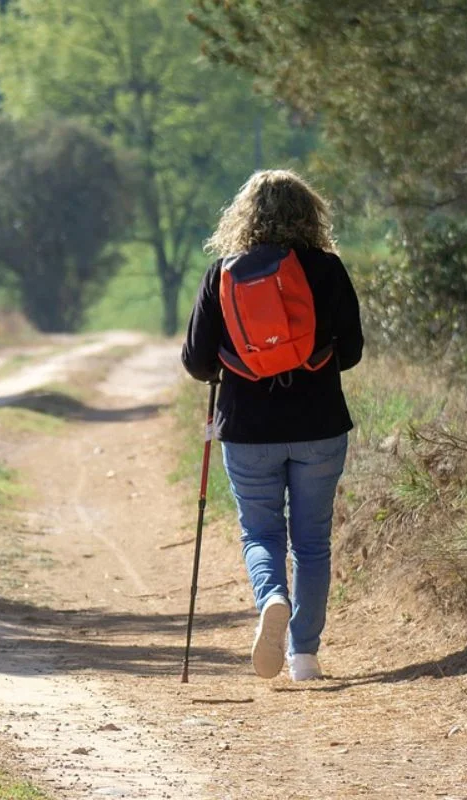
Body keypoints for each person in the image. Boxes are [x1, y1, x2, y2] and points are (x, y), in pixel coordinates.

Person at [180, 169, 363, 681]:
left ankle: (272, 598)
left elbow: (196, 363)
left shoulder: (223, 272)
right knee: (311, 542)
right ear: (311, 213)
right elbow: (351, 353)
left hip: (246, 426)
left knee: (261, 532)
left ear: (244, 215)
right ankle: (304, 656)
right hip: (320, 424)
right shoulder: (327, 270)